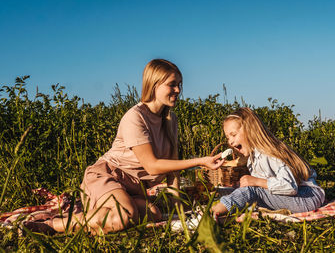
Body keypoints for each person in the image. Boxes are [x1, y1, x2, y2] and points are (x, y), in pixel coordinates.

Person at [34, 59, 224, 234]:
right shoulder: (135, 116)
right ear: (154, 84)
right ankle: (52, 225)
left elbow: (172, 167)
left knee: (154, 214)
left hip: (132, 188)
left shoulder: (170, 119)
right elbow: (152, 165)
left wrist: (177, 205)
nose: (177, 90)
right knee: (125, 216)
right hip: (107, 176)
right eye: (172, 84)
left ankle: (92, 217)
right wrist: (201, 161)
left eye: (179, 85)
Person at [211, 107, 325, 216]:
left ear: (250, 131)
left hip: (307, 196)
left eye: (233, 135)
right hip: (296, 197)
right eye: (228, 137)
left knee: (251, 192)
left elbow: (290, 187)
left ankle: (212, 213)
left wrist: (256, 181)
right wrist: (239, 186)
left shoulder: (269, 154)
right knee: (248, 194)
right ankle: (218, 206)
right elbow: (262, 188)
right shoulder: (253, 159)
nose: (230, 141)